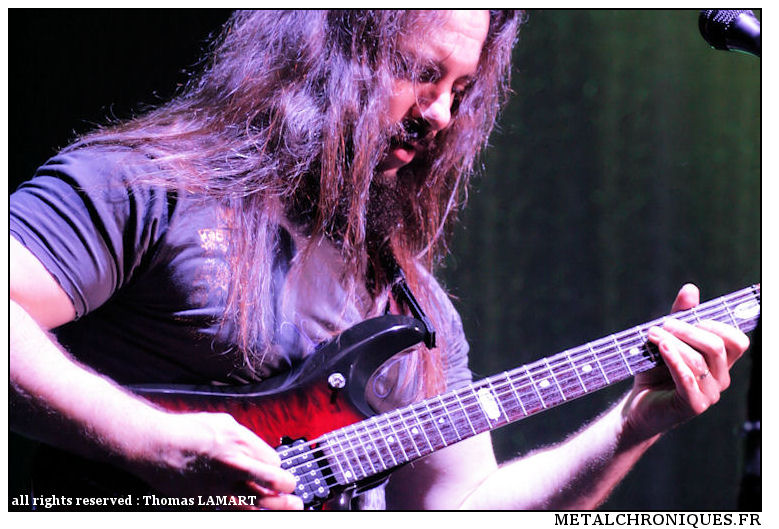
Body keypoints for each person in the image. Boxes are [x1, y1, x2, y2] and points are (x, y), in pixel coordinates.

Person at [10, 10, 751, 511]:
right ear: (324, 47)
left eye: (461, 90)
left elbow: (464, 506)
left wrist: (629, 427)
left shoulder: (414, 309)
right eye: (421, 72)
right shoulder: (145, 185)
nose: (442, 114)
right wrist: (150, 442)